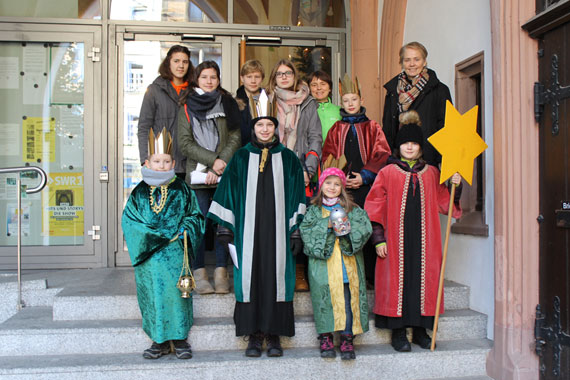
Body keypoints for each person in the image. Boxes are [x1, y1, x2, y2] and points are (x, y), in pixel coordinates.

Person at [207, 112, 306, 358]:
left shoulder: (289, 158)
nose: (264, 129)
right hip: (246, 231)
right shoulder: (240, 157)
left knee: (276, 278)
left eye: (269, 124)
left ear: (276, 127)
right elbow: (227, 190)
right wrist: (224, 228)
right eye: (260, 124)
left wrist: (296, 231)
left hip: (279, 231)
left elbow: (297, 195)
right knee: (249, 279)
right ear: (254, 128)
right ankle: (253, 334)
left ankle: (274, 335)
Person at [364, 111, 462, 352]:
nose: (409, 147)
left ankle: (420, 331)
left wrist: (455, 185)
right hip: (395, 241)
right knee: (397, 281)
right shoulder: (387, 173)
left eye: (414, 144)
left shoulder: (432, 173)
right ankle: (398, 333)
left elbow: (445, 204)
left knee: (422, 281)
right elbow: (374, 207)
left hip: (425, 241)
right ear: (399, 146)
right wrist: (378, 239)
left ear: (420, 147)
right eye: (405, 143)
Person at [122, 128, 205, 360]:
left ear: (173, 163)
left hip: (176, 254)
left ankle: (180, 339)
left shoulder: (182, 190)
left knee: (177, 295)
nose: (161, 165)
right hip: (149, 257)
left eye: (166, 161)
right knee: (153, 295)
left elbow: (195, 216)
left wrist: (183, 232)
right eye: (157, 161)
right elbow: (130, 221)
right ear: (147, 162)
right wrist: (154, 237)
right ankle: (157, 341)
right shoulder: (139, 192)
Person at [178, 60, 241, 294]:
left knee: (223, 225)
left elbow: (235, 136)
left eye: (213, 77)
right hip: (197, 177)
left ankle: (221, 273)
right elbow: (184, 143)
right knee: (200, 225)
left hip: (224, 173)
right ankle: (200, 272)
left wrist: (219, 165)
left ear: (218, 79)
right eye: (204, 77)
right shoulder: (185, 106)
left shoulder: (227, 103)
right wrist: (211, 162)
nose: (209, 81)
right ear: (197, 79)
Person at [321, 73, 391, 285]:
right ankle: (345, 273)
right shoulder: (336, 129)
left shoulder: (373, 127)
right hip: (342, 189)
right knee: (343, 228)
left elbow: (382, 154)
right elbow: (328, 156)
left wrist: (365, 176)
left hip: (367, 187)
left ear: (361, 101)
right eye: (346, 100)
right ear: (340, 103)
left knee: (367, 227)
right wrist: (338, 181)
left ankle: (369, 275)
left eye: (354, 99)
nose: (350, 104)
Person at [299, 167, 372, 360]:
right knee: (324, 302)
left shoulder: (353, 209)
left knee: (348, 302)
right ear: (321, 185)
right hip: (324, 268)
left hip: (347, 266)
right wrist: (327, 225)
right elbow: (306, 232)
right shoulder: (314, 211)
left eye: (337, 183)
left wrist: (346, 228)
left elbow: (364, 228)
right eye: (328, 183)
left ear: (343, 187)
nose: (332, 187)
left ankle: (347, 338)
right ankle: (325, 337)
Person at [267, 59, 322, 291]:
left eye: (288, 73)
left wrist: (308, 169)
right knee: (273, 221)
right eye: (279, 73)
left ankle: (300, 271)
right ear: (274, 77)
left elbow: (315, 138)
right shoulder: (267, 101)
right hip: (271, 167)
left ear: (295, 76)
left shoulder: (307, 102)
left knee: (300, 221)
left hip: (299, 169)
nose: (284, 77)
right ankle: (276, 271)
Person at [382, 41, 452, 167]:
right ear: (402, 63)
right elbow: (387, 128)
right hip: (398, 162)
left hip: (428, 160)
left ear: (424, 62)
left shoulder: (440, 90)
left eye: (416, 59)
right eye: (407, 60)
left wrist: (442, 160)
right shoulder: (393, 91)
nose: (412, 64)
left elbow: (446, 127)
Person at [137, 45, 194, 180]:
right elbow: (144, 127)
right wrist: (146, 160)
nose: (181, 65)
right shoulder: (154, 90)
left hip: (190, 164)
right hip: (161, 164)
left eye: (185, 62)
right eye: (176, 61)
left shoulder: (194, 91)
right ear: (168, 63)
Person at [235, 59, 265, 147]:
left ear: (262, 78)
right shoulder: (233, 103)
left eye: (257, 77)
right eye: (249, 77)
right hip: (240, 153)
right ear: (242, 78)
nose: (253, 81)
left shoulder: (268, 101)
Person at [308, 70, 341, 142]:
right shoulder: (305, 111)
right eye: (314, 85)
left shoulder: (340, 111)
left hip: (335, 153)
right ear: (309, 89)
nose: (319, 88)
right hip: (312, 152)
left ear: (330, 88)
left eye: (323, 84)